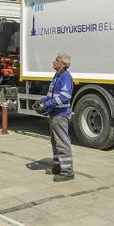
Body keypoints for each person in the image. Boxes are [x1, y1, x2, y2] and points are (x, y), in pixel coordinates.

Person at [41, 52, 74, 182]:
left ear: (63, 64)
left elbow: (64, 97)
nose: (54, 61)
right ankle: (58, 166)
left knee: (62, 143)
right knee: (55, 142)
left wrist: (47, 104)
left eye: (57, 59)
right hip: (54, 114)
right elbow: (51, 95)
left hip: (61, 114)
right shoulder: (57, 75)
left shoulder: (65, 77)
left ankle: (67, 172)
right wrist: (42, 102)